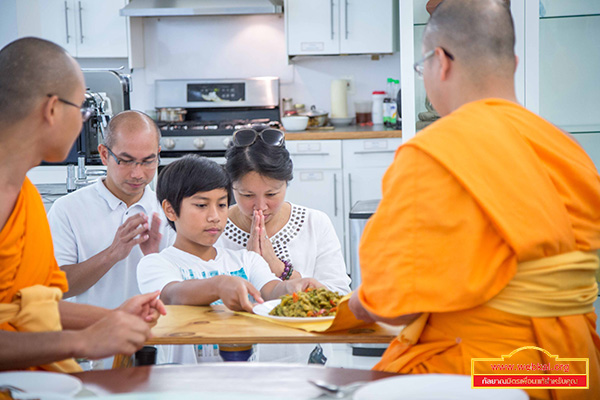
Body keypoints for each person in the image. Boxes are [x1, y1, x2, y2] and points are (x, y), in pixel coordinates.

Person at [348, 1, 600, 399]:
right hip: (573, 370)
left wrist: (354, 304)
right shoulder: (571, 152)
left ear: (441, 61)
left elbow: (392, 308)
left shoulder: (434, 151)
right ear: (513, 63)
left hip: (486, 377)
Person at [0, 37, 166, 372]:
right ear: (52, 110)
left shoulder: (24, 195)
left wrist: (115, 318)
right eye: (82, 110)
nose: (82, 124)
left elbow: (34, 307)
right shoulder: (55, 205)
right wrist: (83, 341)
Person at [137, 155, 323, 364]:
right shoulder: (156, 264)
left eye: (222, 205)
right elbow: (172, 296)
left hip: (244, 384)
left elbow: (270, 291)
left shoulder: (246, 260)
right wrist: (218, 285)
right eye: (201, 205)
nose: (214, 216)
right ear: (170, 209)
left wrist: (293, 288)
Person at [217, 127, 351, 362]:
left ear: (287, 184)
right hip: (231, 361)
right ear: (231, 187)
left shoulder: (314, 223)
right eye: (247, 195)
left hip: (303, 359)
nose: (260, 207)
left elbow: (339, 301)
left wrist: (278, 267)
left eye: (271, 194)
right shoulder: (213, 228)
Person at [47, 110, 175, 310]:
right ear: (104, 154)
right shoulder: (67, 210)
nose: (137, 173)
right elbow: (56, 287)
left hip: (155, 336)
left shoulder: (168, 209)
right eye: (125, 161)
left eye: (148, 161)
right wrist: (112, 253)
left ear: (158, 154)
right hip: (90, 335)